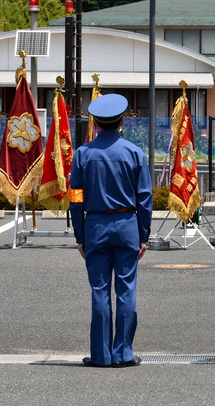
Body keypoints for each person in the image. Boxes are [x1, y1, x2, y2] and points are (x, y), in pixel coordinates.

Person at [69, 94, 153, 368]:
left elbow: (76, 199)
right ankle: (123, 353)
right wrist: (143, 236)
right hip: (127, 225)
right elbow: (144, 199)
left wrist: (80, 235)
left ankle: (101, 354)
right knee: (126, 290)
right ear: (122, 121)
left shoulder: (83, 154)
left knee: (100, 290)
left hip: (95, 226)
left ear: (96, 123)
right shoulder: (134, 152)